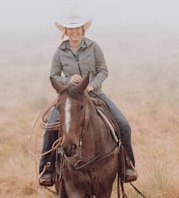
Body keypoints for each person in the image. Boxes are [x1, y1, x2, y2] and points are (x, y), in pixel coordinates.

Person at [39, 14, 137, 186]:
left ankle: (127, 165)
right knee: (50, 129)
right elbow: (53, 76)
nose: (74, 31)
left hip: (94, 93)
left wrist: (92, 85)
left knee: (123, 124)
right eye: (71, 28)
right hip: (70, 97)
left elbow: (103, 70)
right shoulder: (60, 51)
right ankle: (48, 169)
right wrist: (68, 80)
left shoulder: (94, 47)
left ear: (82, 30)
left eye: (77, 28)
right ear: (66, 31)